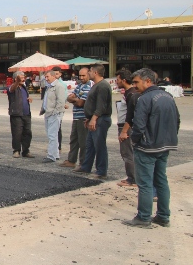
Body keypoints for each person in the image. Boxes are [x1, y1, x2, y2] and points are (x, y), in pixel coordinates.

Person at [122, 68, 180, 228]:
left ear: (148, 81)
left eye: (136, 82)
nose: (134, 86)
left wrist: (135, 141)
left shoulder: (144, 99)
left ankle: (144, 217)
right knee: (161, 180)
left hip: (147, 146)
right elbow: (177, 120)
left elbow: (138, 125)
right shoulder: (168, 96)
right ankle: (163, 216)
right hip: (164, 145)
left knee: (145, 183)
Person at [74, 64, 112, 179]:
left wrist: (94, 119)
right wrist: (89, 118)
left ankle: (101, 171)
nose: (88, 73)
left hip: (100, 120)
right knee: (90, 145)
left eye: (90, 71)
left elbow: (101, 106)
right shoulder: (96, 85)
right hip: (94, 119)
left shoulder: (103, 86)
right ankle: (86, 166)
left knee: (99, 145)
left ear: (95, 72)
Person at [59, 67, 91, 168]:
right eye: (80, 75)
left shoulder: (89, 86)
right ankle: (71, 160)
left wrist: (75, 99)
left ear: (89, 75)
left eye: (83, 75)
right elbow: (69, 98)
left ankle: (83, 163)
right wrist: (75, 99)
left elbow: (81, 102)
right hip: (76, 117)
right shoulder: (79, 86)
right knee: (74, 140)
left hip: (83, 117)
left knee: (83, 142)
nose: (81, 77)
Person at [115, 68, 140, 188]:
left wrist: (124, 131)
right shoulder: (128, 93)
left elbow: (131, 115)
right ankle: (132, 177)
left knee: (127, 152)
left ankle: (133, 179)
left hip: (126, 127)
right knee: (127, 152)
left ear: (124, 80)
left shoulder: (131, 94)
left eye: (118, 79)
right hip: (125, 125)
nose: (116, 82)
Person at [6, 71, 34, 158]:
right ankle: (16, 150)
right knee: (17, 133)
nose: (23, 79)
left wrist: (28, 99)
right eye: (21, 78)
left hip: (26, 114)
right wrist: (17, 82)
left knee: (27, 133)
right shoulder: (12, 87)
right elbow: (11, 89)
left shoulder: (24, 88)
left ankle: (26, 151)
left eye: (23, 77)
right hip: (16, 114)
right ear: (15, 78)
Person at [41, 70, 67, 163]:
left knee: (52, 135)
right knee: (51, 134)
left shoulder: (58, 86)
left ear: (53, 76)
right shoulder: (49, 86)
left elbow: (61, 101)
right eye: (45, 77)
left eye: (48, 77)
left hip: (54, 114)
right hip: (48, 113)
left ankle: (51, 155)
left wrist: (54, 112)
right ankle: (55, 154)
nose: (46, 79)